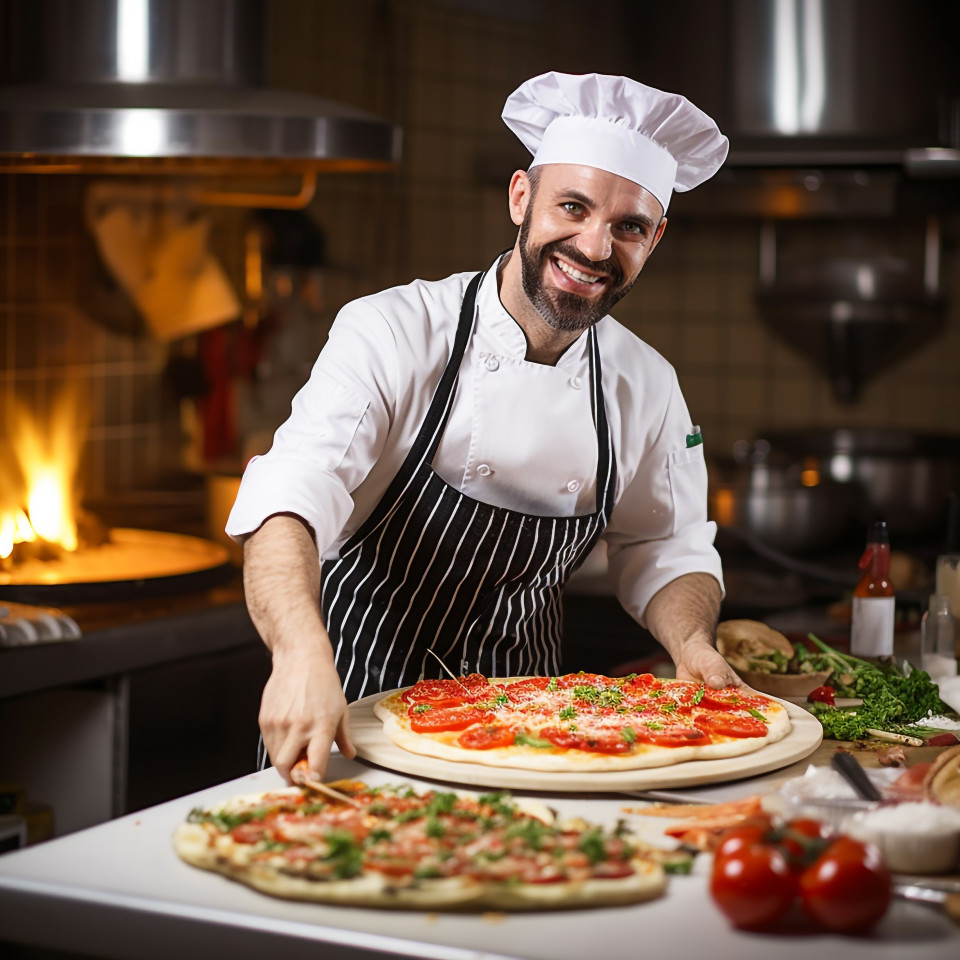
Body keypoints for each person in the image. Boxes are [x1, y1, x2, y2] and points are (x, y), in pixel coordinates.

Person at [226, 71, 737, 782]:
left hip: (535, 747)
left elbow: (667, 548)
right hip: (348, 725)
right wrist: (299, 655)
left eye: (629, 226)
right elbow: (289, 502)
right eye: (572, 206)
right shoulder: (391, 332)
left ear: (656, 238)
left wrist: (692, 646)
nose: (594, 247)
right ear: (520, 197)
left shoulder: (647, 385)